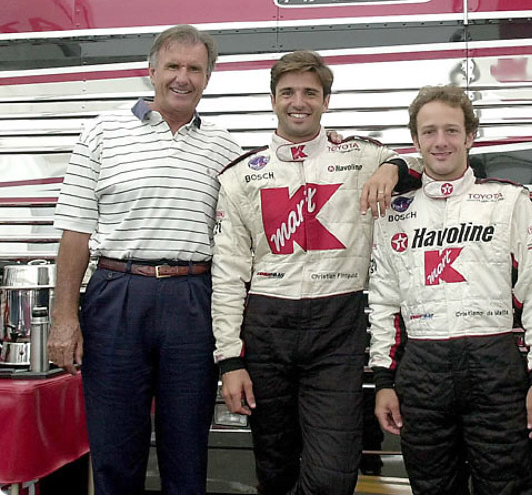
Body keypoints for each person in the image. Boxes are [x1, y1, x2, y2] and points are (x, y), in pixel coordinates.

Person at [211, 50, 418, 495]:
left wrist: (392, 166)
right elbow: (227, 274)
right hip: (267, 325)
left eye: (310, 92)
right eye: (288, 92)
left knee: (333, 470)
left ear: (326, 100)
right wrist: (229, 360)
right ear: (272, 99)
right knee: (275, 466)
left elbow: (418, 169)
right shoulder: (240, 176)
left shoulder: (363, 155)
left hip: (338, 324)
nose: (298, 101)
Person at [48, 25, 242, 495]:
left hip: (193, 299)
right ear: (151, 70)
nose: (183, 77)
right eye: (173, 66)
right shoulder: (101, 132)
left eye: (195, 68)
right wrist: (63, 318)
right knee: (115, 450)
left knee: (187, 448)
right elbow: (75, 232)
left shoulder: (226, 148)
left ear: (208, 77)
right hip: (117, 295)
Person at [369, 85, 532, 495]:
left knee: (507, 486)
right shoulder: (393, 214)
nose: (441, 142)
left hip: (495, 366)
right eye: (430, 132)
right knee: (432, 487)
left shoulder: (508, 201)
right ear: (415, 140)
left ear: (471, 136)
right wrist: (384, 381)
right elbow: (383, 302)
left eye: (452, 131)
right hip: (421, 367)